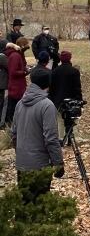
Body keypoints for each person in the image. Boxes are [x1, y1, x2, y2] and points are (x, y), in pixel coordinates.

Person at [11, 69, 64, 202]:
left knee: (25, 206)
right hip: (39, 165)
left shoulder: (20, 103)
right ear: (48, 84)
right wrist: (58, 163)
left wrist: (22, 153)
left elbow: (14, 134)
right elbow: (51, 138)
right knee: (39, 206)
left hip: (22, 163)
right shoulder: (47, 106)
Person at [49, 51, 82, 142]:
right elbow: (77, 87)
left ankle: (61, 138)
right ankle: (71, 138)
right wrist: (79, 101)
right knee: (72, 120)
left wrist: (52, 99)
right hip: (71, 100)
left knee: (60, 120)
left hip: (58, 100)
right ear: (70, 58)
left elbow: (52, 88)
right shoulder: (74, 71)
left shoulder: (55, 71)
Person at [5, 38, 29, 126]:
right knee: (14, 108)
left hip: (18, 86)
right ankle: (11, 125)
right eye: (26, 45)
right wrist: (24, 72)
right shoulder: (15, 56)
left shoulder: (19, 54)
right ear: (22, 45)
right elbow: (13, 71)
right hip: (16, 87)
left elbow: (22, 65)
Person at [0, 39, 8, 126]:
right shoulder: (2, 57)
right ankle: (2, 123)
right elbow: (9, 67)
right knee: (3, 103)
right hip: (2, 83)